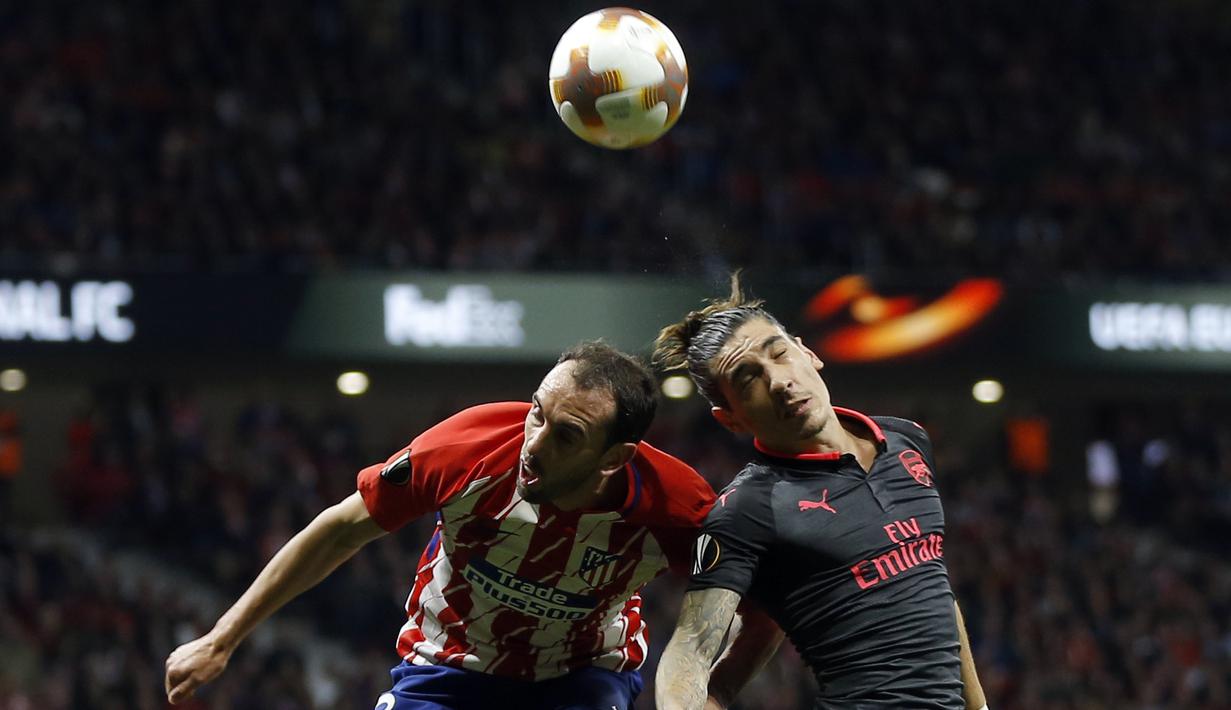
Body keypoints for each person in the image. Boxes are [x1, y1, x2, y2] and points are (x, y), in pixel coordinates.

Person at [164, 341, 767, 710]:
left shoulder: (679, 508)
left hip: (582, 681)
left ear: (615, 457)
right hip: (447, 670)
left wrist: (715, 696)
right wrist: (221, 639)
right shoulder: (468, 447)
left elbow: (760, 604)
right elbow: (342, 529)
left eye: (567, 437)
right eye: (537, 414)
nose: (534, 444)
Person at [652, 277, 989, 710]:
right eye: (748, 377)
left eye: (779, 354)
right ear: (729, 419)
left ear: (807, 352)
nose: (778, 381)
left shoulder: (906, 440)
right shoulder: (749, 507)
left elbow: (933, 586)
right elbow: (690, 652)